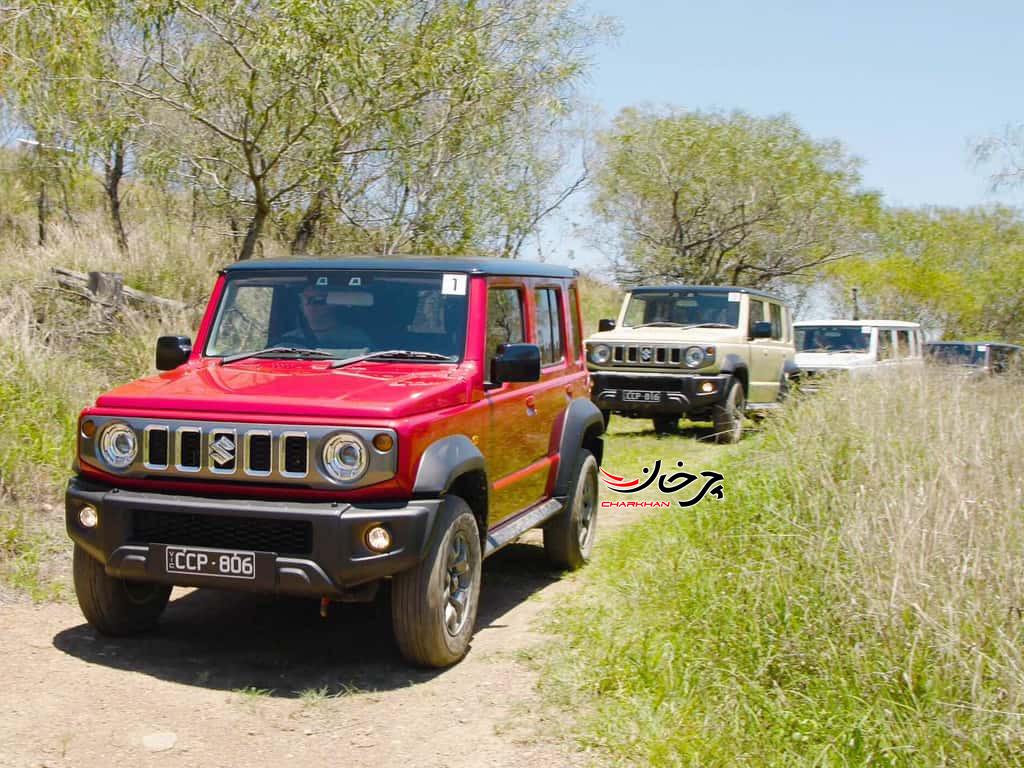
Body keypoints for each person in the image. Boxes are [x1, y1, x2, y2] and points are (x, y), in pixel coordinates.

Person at [283, 284, 373, 351]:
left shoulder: (355, 338)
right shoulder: (288, 340)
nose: (310, 305)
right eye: (304, 299)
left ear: (334, 304)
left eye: (318, 300)